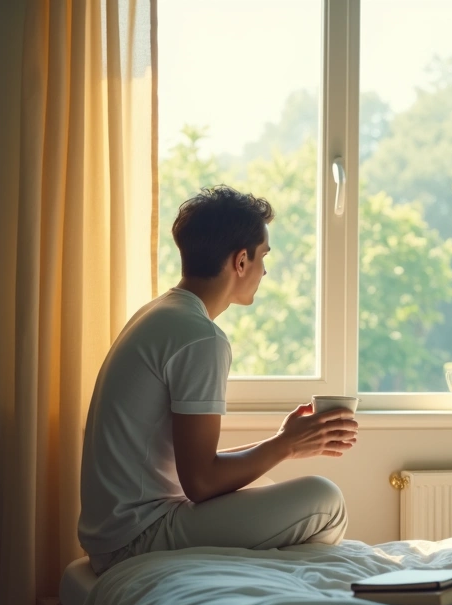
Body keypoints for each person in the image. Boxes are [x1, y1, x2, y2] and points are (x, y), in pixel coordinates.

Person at [78, 185, 357, 575]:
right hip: (136, 539)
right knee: (326, 499)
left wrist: (283, 444)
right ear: (240, 261)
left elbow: (193, 471)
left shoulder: (162, 313)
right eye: (263, 257)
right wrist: (286, 444)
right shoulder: (199, 336)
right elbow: (202, 482)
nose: (264, 270)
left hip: (119, 532)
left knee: (270, 482)